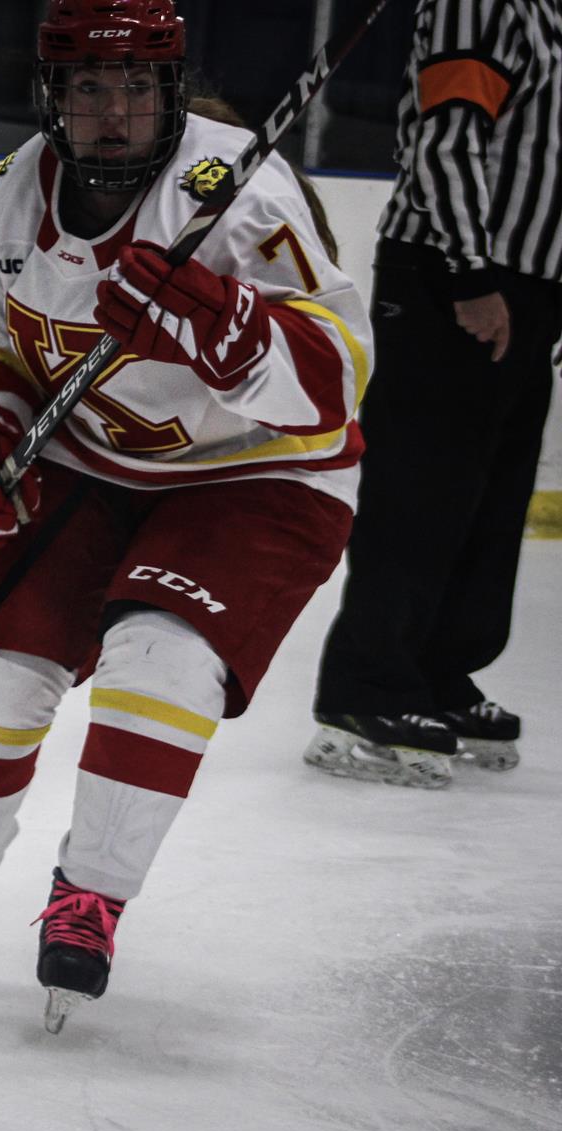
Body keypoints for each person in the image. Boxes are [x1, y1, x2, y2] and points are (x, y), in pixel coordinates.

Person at [0, 0, 371, 1032]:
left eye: (135, 87)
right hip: (91, 459)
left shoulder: (236, 196)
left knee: (162, 659)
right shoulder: (8, 201)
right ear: (52, 96)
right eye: (88, 88)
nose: (112, 111)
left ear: (168, 92)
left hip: (258, 471)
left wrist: (231, 329)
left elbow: (341, 376)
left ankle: (88, 895)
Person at [308, 0, 561, 787]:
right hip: (455, 276)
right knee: (424, 492)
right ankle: (369, 683)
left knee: (489, 501)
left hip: (530, 282)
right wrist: (468, 273)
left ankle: (442, 673)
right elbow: (449, 134)